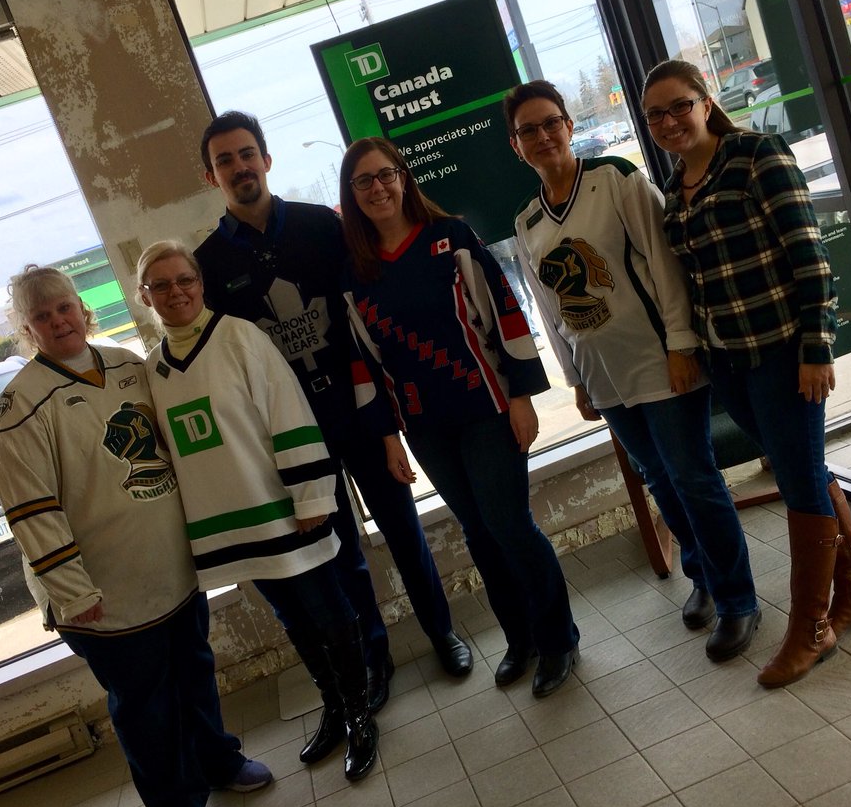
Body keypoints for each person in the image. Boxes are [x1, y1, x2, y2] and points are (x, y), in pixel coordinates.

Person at [193, 112, 471, 711]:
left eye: (247, 153)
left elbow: (369, 299)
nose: (239, 167)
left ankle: (441, 631)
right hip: (292, 435)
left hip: (360, 410)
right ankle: (374, 658)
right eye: (224, 160)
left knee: (403, 529)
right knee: (340, 551)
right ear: (211, 176)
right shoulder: (208, 264)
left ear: (267, 160)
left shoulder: (323, 225)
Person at [0, 265, 271, 807]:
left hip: (172, 568)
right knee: (146, 707)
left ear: (83, 309)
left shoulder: (125, 363)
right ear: (26, 329)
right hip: (104, 595)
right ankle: (176, 804)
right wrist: (74, 591)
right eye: (42, 316)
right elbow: (30, 511)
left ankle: (219, 761)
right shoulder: (20, 406)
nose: (59, 321)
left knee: (195, 674)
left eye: (65, 307)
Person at [641, 59, 851, 688]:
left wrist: (817, 348)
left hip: (781, 352)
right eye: (656, 114)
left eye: (680, 105)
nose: (669, 121)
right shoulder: (674, 186)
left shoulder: (755, 155)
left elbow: (810, 254)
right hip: (728, 362)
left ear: (706, 101)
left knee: (800, 481)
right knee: (807, 469)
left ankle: (812, 628)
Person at [504, 80, 761, 662]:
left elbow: (665, 262)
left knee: (693, 477)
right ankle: (702, 575)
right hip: (604, 377)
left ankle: (738, 599)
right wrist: (576, 380)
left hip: (658, 359)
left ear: (569, 126)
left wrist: (681, 344)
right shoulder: (526, 222)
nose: (543, 136)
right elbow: (550, 310)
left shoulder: (615, 178)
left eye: (551, 122)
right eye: (528, 130)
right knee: (660, 480)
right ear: (515, 145)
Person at [338, 136, 580, 698]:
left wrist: (522, 396)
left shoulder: (451, 239)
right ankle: (520, 638)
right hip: (425, 426)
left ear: (403, 178)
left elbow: (506, 312)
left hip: (487, 408)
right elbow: (361, 363)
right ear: (351, 194)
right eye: (363, 181)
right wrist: (388, 437)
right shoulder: (354, 272)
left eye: (386, 174)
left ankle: (557, 639)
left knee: (509, 526)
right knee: (478, 532)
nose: (378, 187)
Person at [136, 240, 378, 781]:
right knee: (293, 618)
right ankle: (334, 707)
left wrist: (311, 495)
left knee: (328, 610)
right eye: (161, 285)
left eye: (185, 280)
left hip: (286, 509)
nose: (176, 292)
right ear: (144, 296)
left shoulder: (239, 337)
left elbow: (288, 413)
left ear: (200, 283)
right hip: (231, 526)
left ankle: (360, 714)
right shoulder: (153, 369)